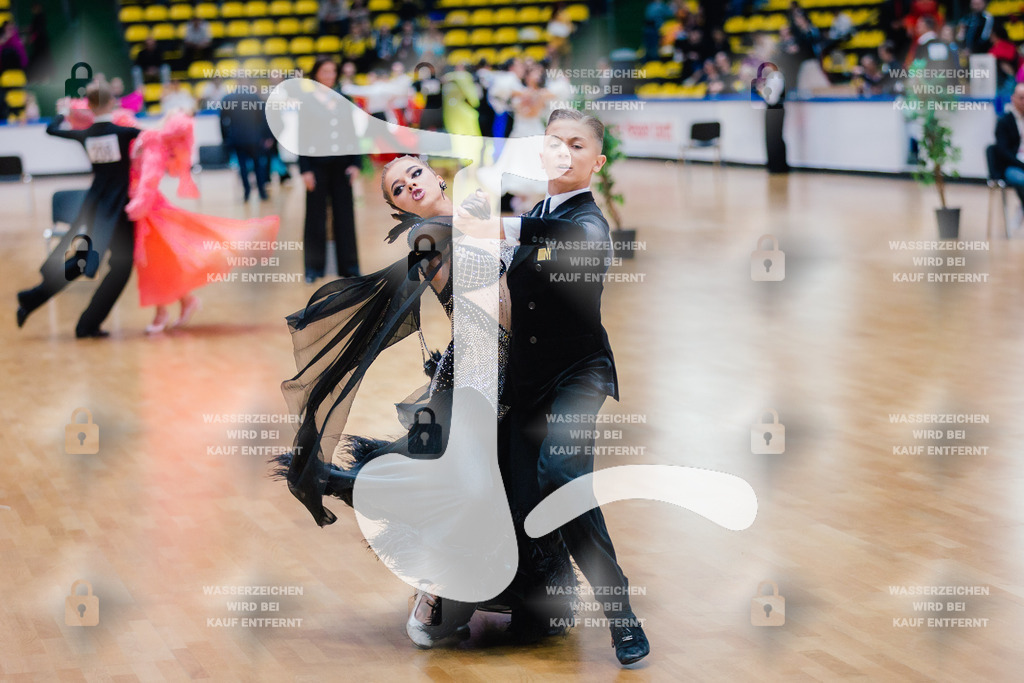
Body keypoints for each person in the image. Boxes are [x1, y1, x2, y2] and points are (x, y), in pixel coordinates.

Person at [274, 155, 576, 647]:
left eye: (415, 174)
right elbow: (491, 296)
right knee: (472, 491)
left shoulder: (478, 216)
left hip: (521, 379)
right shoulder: (428, 238)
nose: (410, 185)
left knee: (520, 490)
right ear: (397, 206)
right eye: (397, 187)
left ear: (437, 176)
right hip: (476, 386)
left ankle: (510, 595)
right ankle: (431, 591)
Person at [458, 109, 650, 666]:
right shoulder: (536, 210)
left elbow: (564, 240)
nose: (564, 151)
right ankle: (533, 608)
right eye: (554, 143)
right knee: (521, 501)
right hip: (526, 380)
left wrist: (491, 221)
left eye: (577, 144)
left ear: (598, 160)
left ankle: (620, 613)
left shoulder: (588, 225)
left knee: (562, 478)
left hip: (578, 375)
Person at [16, 81, 140, 338]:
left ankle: (33, 299)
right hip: (117, 209)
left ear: (91, 106)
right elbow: (152, 136)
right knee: (119, 266)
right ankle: (86, 323)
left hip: (96, 206)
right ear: (111, 102)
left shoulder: (86, 134)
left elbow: (51, 130)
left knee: (85, 261)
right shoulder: (124, 132)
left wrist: (63, 111)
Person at [299, 59, 363, 281]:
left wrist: (356, 163)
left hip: (342, 166)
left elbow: (354, 132)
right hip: (316, 167)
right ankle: (313, 268)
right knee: (315, 217)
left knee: (345, 217)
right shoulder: (306, 102)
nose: (329, 75)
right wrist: (304, 169)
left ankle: (350, 267)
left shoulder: (344, 99)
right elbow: (301, 137)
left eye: (332, 71)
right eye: (324, 71)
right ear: (316, 74)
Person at [219, 79, 274, 201]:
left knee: (242, 167)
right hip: (255, 138)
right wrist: (267, 136)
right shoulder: (255, 97)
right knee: (258, 165)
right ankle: (262, 192)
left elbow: (222, 121)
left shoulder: (228, 98)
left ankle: (247, 193)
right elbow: (264, 119)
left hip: (237, 139)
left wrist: (225, 138)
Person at [992, 83, 1024, 208]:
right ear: (1013, 99)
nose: (1023, 102)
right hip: (1012, 166)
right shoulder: (1004, 122)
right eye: (1021, 98)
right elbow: (1003, 152)